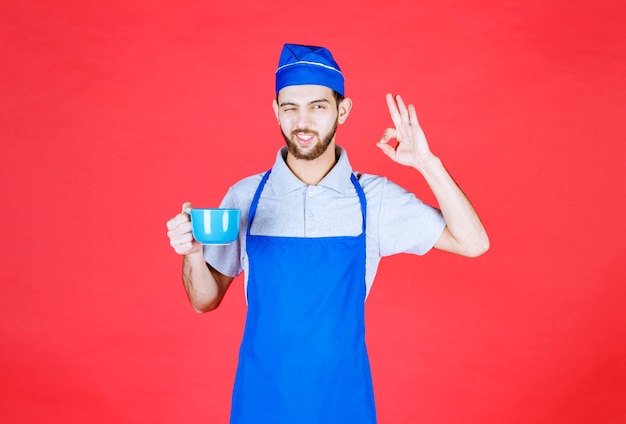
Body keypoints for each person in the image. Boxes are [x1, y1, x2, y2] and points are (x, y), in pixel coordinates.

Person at [166, 43, 489, 424]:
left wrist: (426, 163)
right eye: (290, 108)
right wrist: (191, 252)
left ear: (342, 110)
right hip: (260, 404)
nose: (303, 121)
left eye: (318, 106)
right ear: (276, 112)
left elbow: (473, 242)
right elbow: (205, 300)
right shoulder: (245, 197)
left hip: (344, 406)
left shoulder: (374, 199)